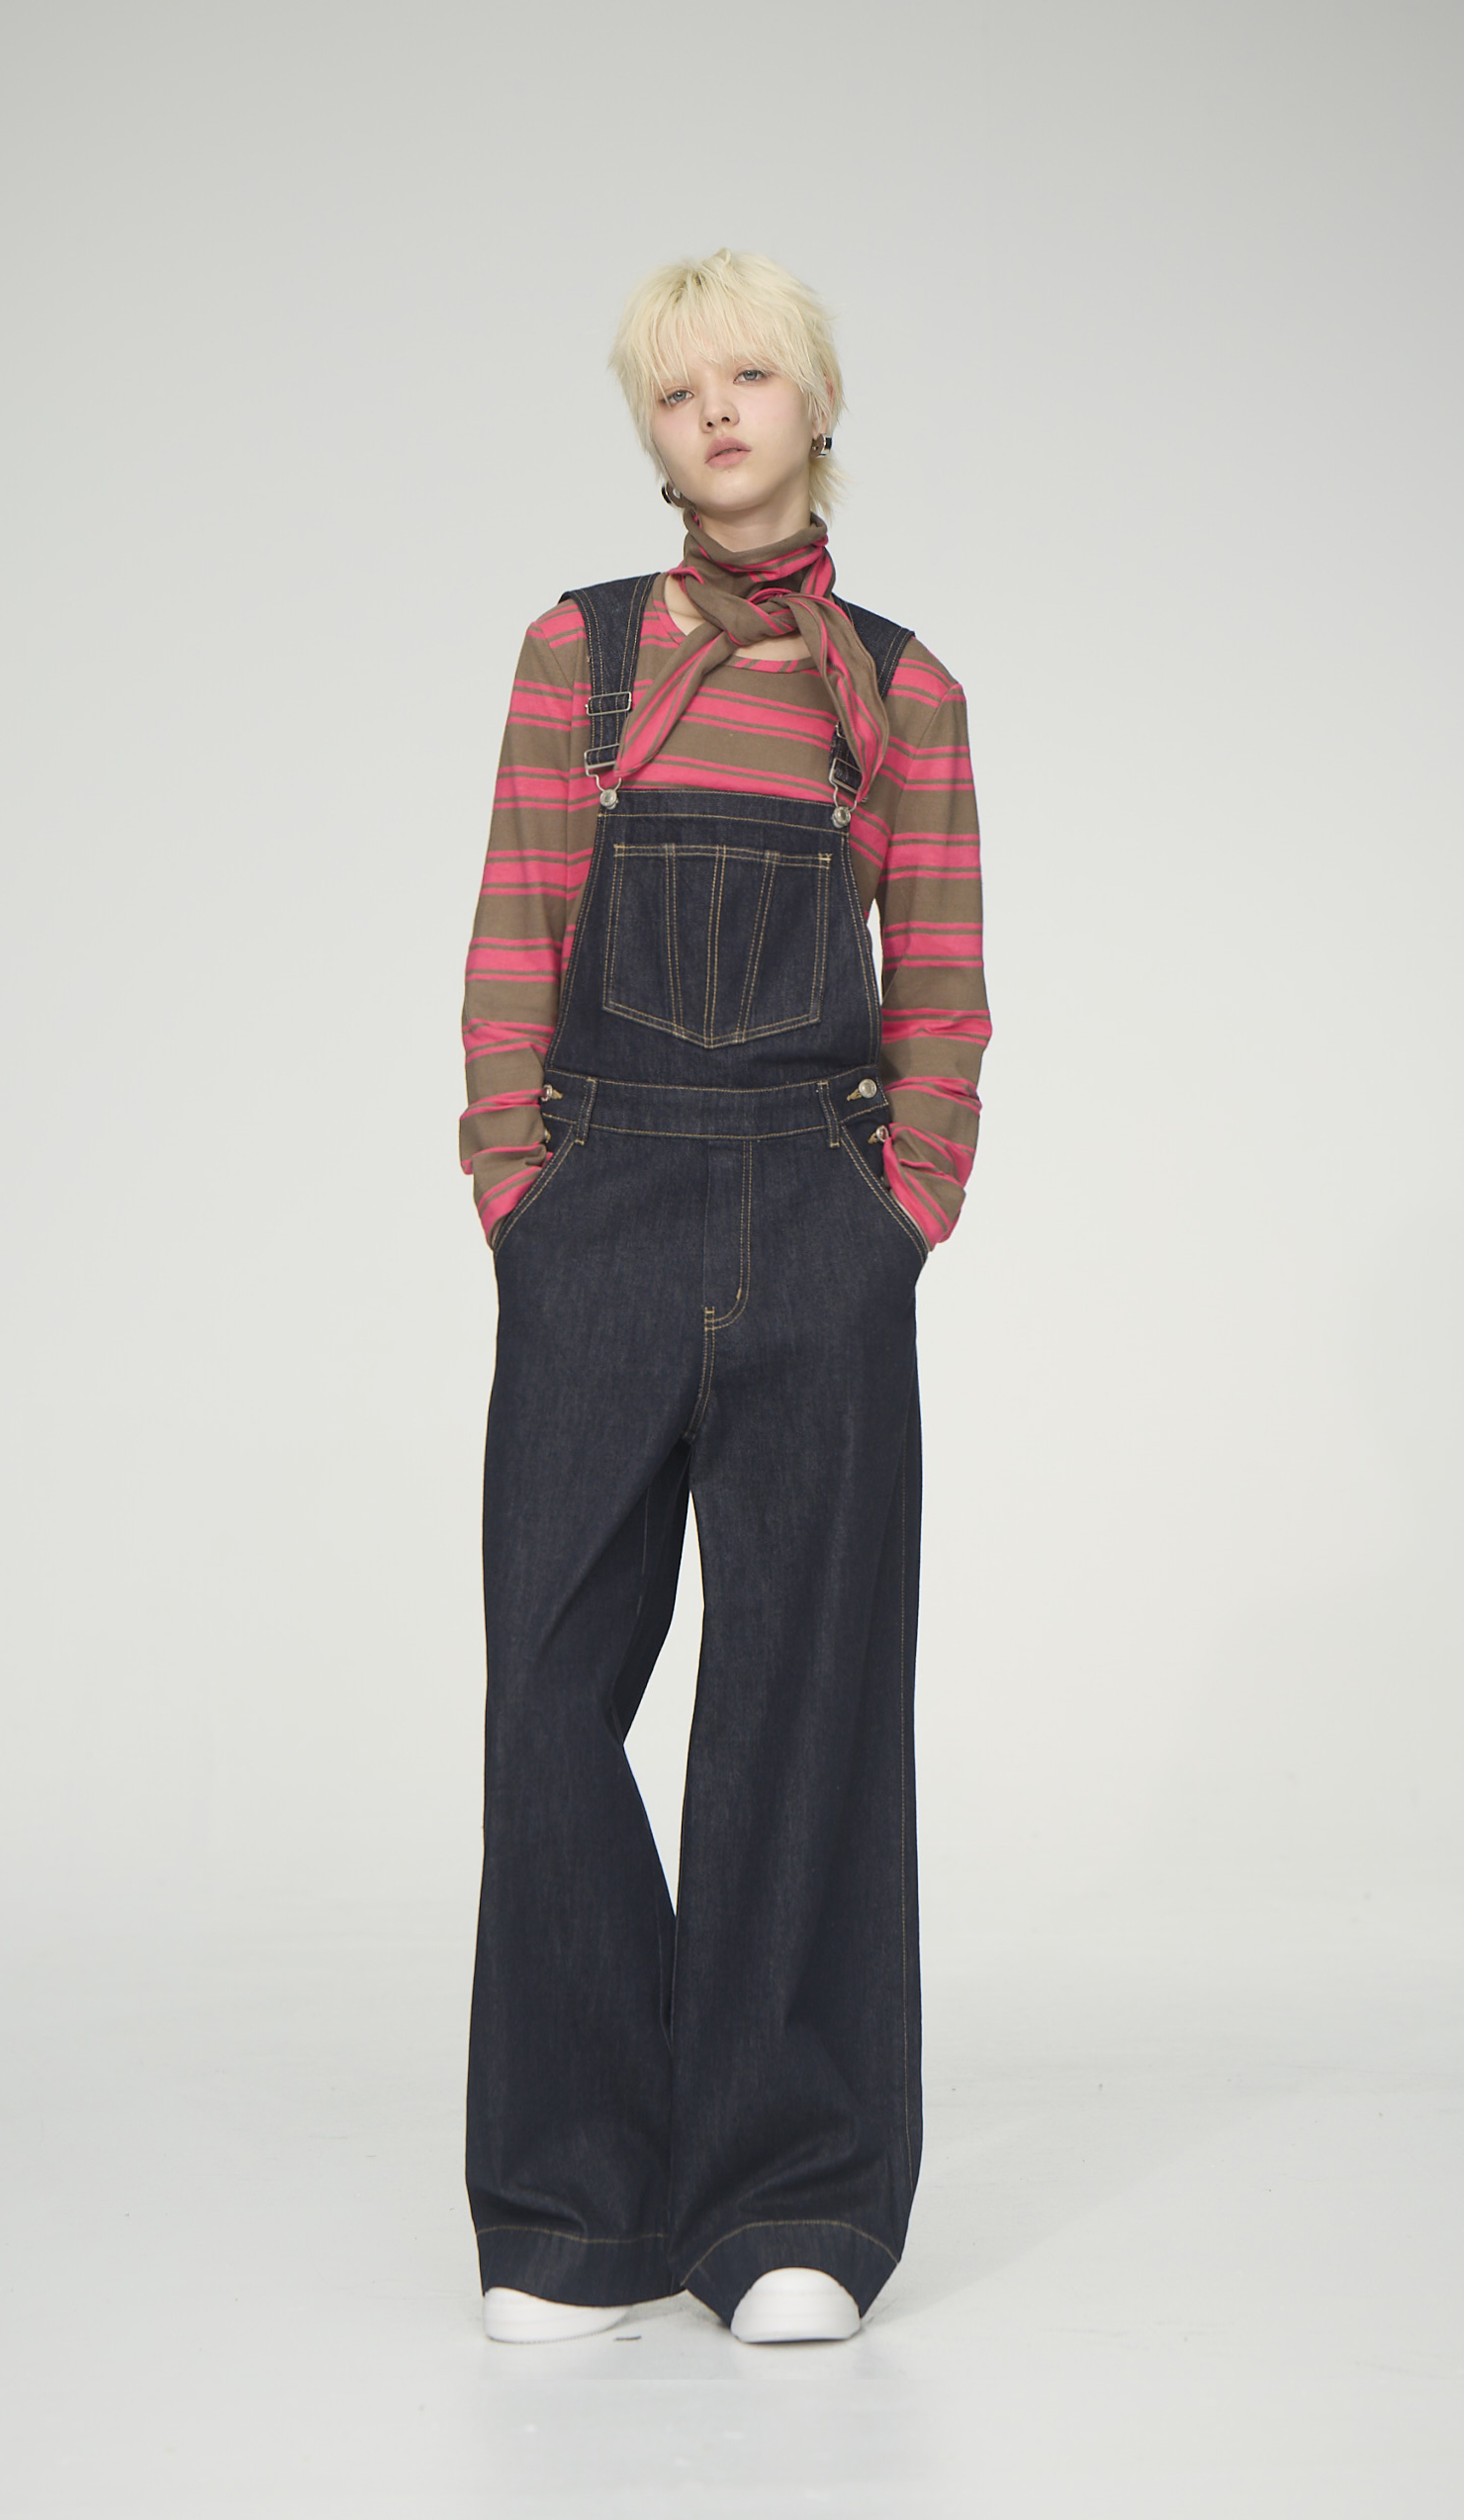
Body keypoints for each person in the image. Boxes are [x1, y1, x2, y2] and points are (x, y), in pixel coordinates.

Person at [456, 248, 990, 2345]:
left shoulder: (897, 690)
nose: (718, 413)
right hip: (599, 1209)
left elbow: (938, 980)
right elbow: (514, 930)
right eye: (679, 391)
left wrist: (902, 1203)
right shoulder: (577, 659)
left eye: (750, 375)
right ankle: (573, 2207)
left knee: (803, 1704)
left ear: (811, 403)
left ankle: (788, 2204)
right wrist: (517, 1188)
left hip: (816, 1219)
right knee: (546, 1694)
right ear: (652, 431)